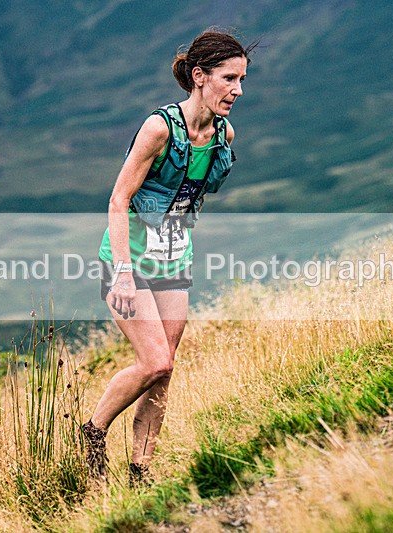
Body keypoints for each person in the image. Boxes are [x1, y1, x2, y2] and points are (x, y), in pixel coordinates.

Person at [83, 28, 254, 487]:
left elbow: (187, 199)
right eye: (229, 78)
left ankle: (141, 470)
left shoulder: (223, 134)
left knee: (166, 368)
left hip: (175, 260)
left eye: (242, 80)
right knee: (154, 361)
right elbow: (119, 200)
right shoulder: (160, 128)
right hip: (129, 261)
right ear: (200, 76)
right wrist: (120, 273)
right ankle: (92, 433)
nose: (238, 90)